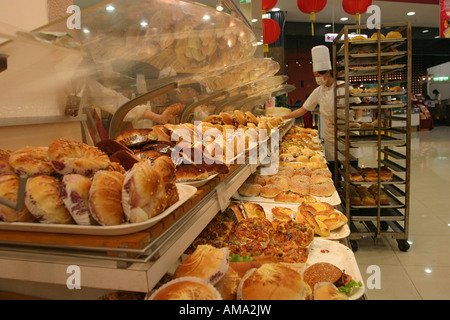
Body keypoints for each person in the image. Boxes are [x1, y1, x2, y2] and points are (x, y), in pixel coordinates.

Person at [282, 45, 362, 178]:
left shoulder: (344, 86)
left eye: (319, 75)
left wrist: (358, 121)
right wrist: (282, 117)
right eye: (315, 75)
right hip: (331, 137)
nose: (317, 78)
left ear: (328, 72)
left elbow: (359, 106)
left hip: (349, 134)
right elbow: (303, 110)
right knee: (334, 173)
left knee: (352, 172)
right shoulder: (318, 91)